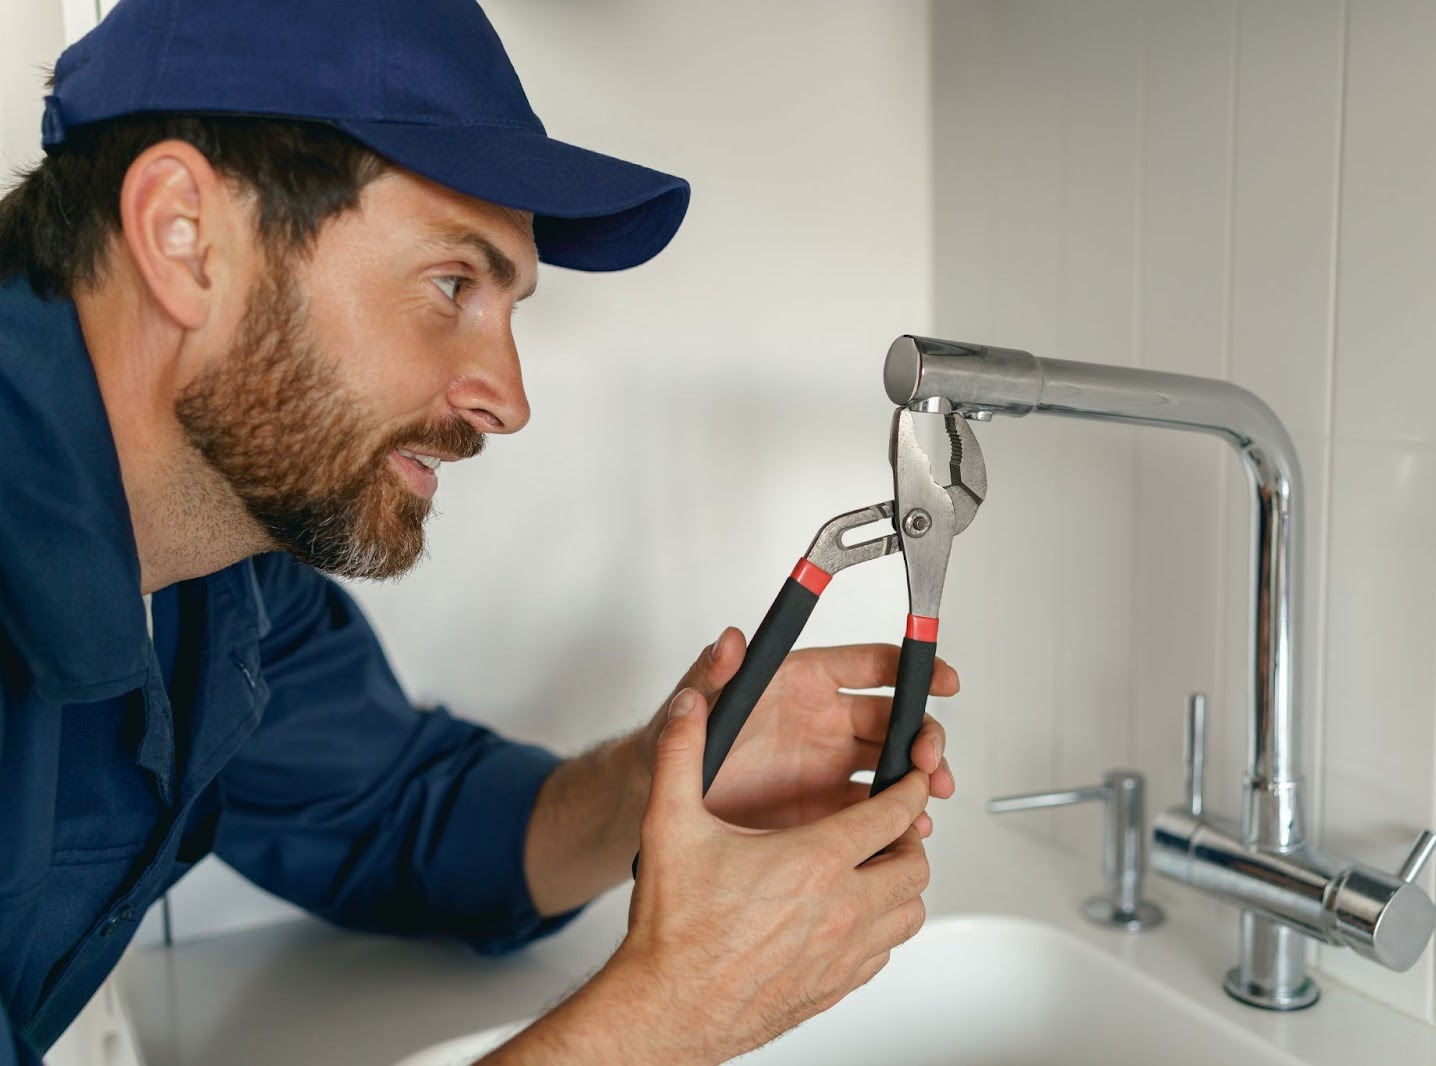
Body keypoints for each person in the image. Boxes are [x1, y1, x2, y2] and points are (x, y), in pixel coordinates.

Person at [0, 1, 959, 1063]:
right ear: (184, 235)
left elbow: (400, 818)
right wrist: (666, 1014)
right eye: (453, 281)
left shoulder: (220, 568)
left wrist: (663, 774)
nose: (507, 398)